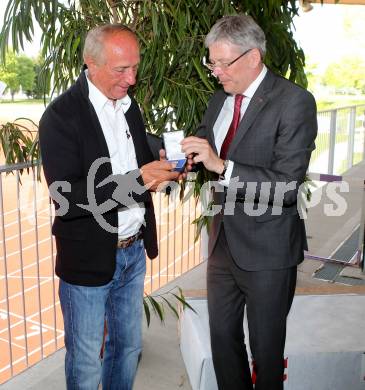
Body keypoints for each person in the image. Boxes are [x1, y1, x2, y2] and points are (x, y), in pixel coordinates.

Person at [39, 24, 180, 390]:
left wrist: (162, 162)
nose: (131, 78)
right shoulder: (60, 116)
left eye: (135, 67)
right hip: (87, 260)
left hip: (132, 251)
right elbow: (67, 196)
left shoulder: (129, 107)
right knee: (86, 362)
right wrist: (139, 179)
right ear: (91, 63)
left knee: (128, 348)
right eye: (121, 70)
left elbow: (130, 157)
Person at [181, 15, 317, 390]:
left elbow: (287, 186)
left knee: (267, 353)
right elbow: (210, 148)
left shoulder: (294, 102)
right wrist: (187, 157)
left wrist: (221, 166)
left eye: (223, 63)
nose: (216, 72)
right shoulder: (219, 100)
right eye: (212, 63)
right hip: (223, 242)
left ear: (253, 57)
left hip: (269, 251)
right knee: (223, 342)